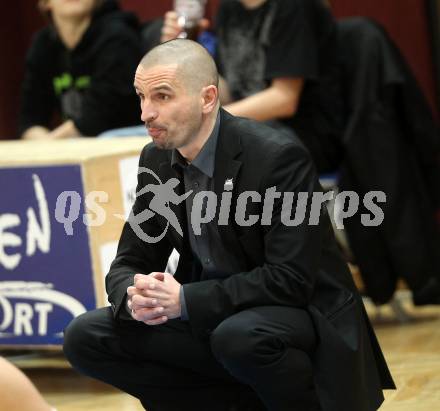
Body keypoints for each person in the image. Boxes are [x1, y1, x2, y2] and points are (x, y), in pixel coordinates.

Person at [63, 39, 394, 411]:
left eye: (162, 97)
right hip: (214, 315)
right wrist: (135, 296)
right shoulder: (156, 160)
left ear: (207, 98)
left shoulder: (277, 156)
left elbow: (290, 280)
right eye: (141, 96)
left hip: (299, 317)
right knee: (86, 336)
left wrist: (185, 301)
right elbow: (129, 260)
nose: (146, 113)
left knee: (239, 337)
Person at [160, 0, 440, 305]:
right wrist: (186, 58)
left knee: (205, 154)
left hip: (307, 135)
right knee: (156, 145)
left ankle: (242, 290)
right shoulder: (230, 9)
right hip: (257, 127)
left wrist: (205, 121)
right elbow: (231, 90)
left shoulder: (293, 7)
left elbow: (284, 98)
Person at [19, 0, 142, 140]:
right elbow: (30, 119)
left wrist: (50, 145)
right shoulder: (43, 44)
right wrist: (41, 144)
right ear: (45, 3)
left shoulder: (119, 37)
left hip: (123, 146)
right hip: (72, 146)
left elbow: (97, 118)